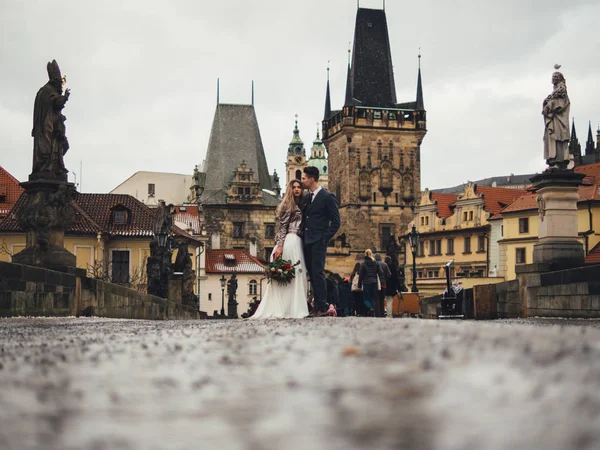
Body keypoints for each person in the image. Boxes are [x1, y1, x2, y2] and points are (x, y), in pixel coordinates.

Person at [250, 180, 308, 319]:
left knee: (297, 275)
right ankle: (288, 308)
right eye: (293, 187)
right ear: (290, 189)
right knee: (292, 275)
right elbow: (282, 228)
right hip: (290, 241)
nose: (296, 189)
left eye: (299, 187)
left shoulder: (302, 204)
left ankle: (293, 307)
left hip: (298, 241)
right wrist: (280, 246)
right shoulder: (289, 205)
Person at [301, 166, 341, 317]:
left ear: (312, 179)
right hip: (306, 241)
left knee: (317, 273)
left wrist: (324, 239)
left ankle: (321, 307)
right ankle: (315, 305)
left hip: (318, 241)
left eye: (304, 178)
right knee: (312, 273)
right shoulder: (308, 197)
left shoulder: (327, 196)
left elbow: (336, 222)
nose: (302, 181)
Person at [542, 67, 570, 169]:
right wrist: (546, 103)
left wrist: (548, 106)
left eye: (555, 76)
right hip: (554, 119)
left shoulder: (561, 90)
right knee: (554, 138)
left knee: (558, 138)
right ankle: (554, 161)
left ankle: (559, 160)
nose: (553, 78)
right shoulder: (555, 92)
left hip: (558, 120)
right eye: (552, 76)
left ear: (560, 78)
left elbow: (559, 104)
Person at [358, 249, 383, 317]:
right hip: (374, 282)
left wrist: (359, 284)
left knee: (366, 298)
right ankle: (373, 310)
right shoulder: (376, 263)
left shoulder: (363, 264)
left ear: (365, 254)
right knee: (373, 298)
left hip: (366, 283)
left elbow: (361, 275)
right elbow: (381, 272)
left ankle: (370, 308)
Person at [374, 253, 391, 317]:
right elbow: (389, 275)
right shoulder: (385, 264)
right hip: (383, 284)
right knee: (382, 299)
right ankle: (382, 313)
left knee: (376, 299)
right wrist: (384, 279)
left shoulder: (374, 264)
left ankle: (377, 314)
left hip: (376, 284)